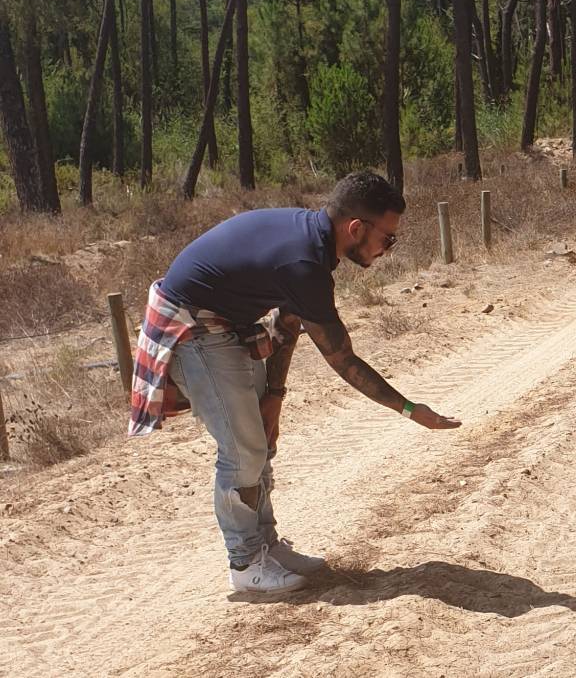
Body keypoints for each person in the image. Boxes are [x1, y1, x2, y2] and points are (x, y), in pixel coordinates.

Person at [128, 171, 461, 594]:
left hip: (227, 324)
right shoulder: (305, 262)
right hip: (194, 329)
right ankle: (246, 563)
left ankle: (265, 546)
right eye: (388, 238)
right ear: (355, 228)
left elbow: (288, 321)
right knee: (242, 451)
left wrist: (275, 395)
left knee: (259, 443)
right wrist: (411, 411)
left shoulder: (312, 244)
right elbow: (343, 360)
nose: (387, 249)